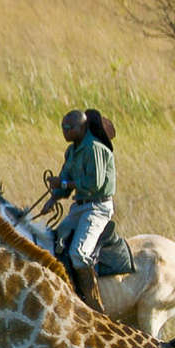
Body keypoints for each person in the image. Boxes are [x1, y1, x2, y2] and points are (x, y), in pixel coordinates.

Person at [44, 108, 116, 313]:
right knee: (53, 244)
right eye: (63, 128)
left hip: (97, 207)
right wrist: (54, 196)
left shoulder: (95, 149)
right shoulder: (71, 151)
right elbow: (64, 179)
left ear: (82, 127)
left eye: (70, 128)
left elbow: (94, 184)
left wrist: (64, 184)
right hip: (79, 207)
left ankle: (94, 306)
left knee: (78, 253)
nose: (65, 132)